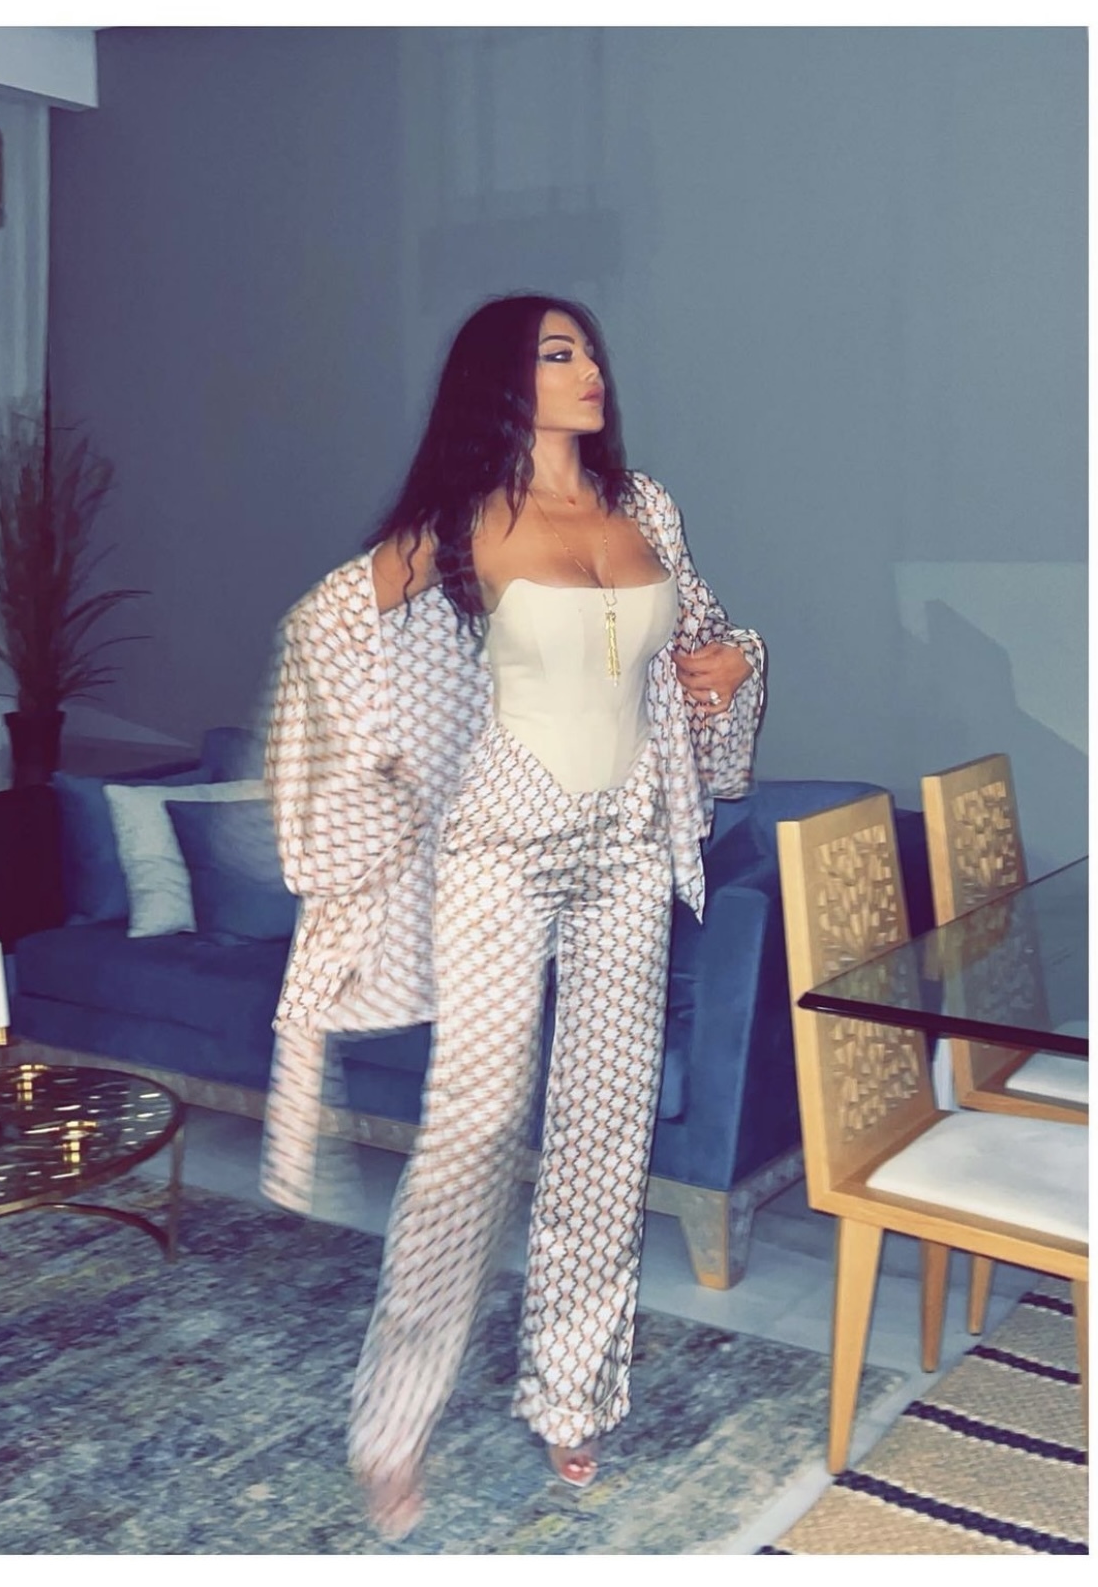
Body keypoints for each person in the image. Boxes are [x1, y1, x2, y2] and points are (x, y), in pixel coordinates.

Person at [258, 293, 766, 1540]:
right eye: (557, 352)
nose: (589, 368)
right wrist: (389, 765)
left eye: (589, 350)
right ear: (504, 378)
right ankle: (392, 1421)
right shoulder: (455, 523)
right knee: (472, 1132)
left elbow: (701, 642)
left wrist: (732, 667)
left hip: (630, 853)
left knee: (603, 1136)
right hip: (498, 852)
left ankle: (572, 1389)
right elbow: (324, 630)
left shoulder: (646, 508)